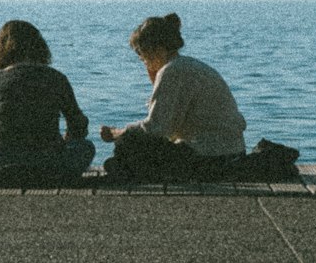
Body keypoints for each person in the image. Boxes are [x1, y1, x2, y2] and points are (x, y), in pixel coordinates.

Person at [99, 13, 246, 180]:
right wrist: (155, 81)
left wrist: (119, 132)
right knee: (133, 144)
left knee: (128, 142)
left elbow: (157, 127)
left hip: (211, 157)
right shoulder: (186, 65)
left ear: (158, 50)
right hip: (232, 152)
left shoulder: (172, 71)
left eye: (141, 53)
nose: (141, 60)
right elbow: (169, 123)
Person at [0, 20, 95, 177]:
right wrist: (66, 141)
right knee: (86, 147)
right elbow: (78, 124)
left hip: (1, 161)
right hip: (48, 163)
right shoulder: (56, 78)